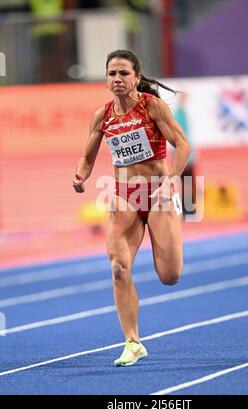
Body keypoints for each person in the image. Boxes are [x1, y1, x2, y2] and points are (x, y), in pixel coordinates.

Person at [73, 49, 191, 366]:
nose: (117, 79)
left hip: (158, 194)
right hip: (125, 196)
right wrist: (81, 173)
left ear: (137, 77)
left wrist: (172, 181)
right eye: (112, 73)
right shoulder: (102, 115)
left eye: (124, 73)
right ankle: (132, 341)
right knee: (118, 267)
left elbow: (183, 144)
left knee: (170, 276)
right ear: (106, 78)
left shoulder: (152, 107)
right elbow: (88, 156)